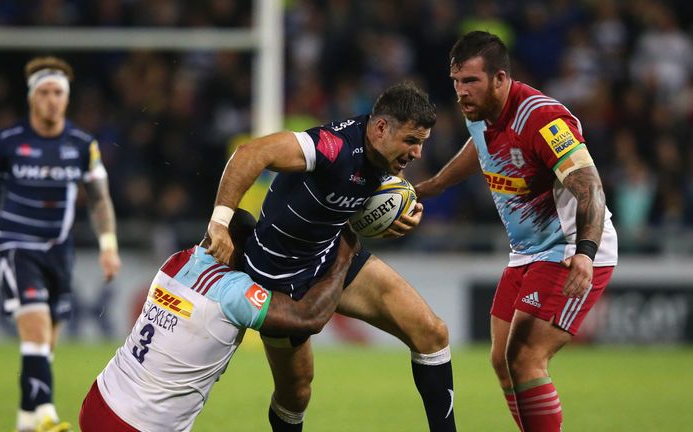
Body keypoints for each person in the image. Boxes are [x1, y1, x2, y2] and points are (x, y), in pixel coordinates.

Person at [207, 81, 456, 431]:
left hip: (330, 251)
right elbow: (250, 153)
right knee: (296, 394)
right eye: (411, 141)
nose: (417, 153)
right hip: (280, 276)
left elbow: (366, 203)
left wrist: (397, 214)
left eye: (422, 143)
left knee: (432, 333)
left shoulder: (386, 159)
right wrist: (220, 222)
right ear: (381, 128)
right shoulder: (332, 146)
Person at [415, 31, 618, 432]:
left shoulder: (542, 119)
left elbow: (589, 186)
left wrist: (585, 252)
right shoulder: (480, 114)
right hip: (526, 252)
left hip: (567, 248)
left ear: (501, 79)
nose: (461, 92)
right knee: (502, 362)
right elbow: (480, 147)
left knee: (525, 357)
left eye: (470, 81)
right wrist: (435, 185)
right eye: (456, 82)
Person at [0, 56, 121, 432]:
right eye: (44, 92)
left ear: (67, 98)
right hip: (16, 245)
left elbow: (100, 198)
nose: (52, 99)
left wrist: (108, 245)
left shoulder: (81, 145)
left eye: (58, 92)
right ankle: (44, 415)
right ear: (31, 97)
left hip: (59, 250)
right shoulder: (6, 142)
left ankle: (26, 421)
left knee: (46, 345)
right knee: (37, 329)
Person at [79, 209, 360, 431]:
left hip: (99, 399)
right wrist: (343, 258)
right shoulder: (231, 290)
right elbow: (308, 318)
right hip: (139, 424)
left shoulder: (176, 261)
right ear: (237, 248)